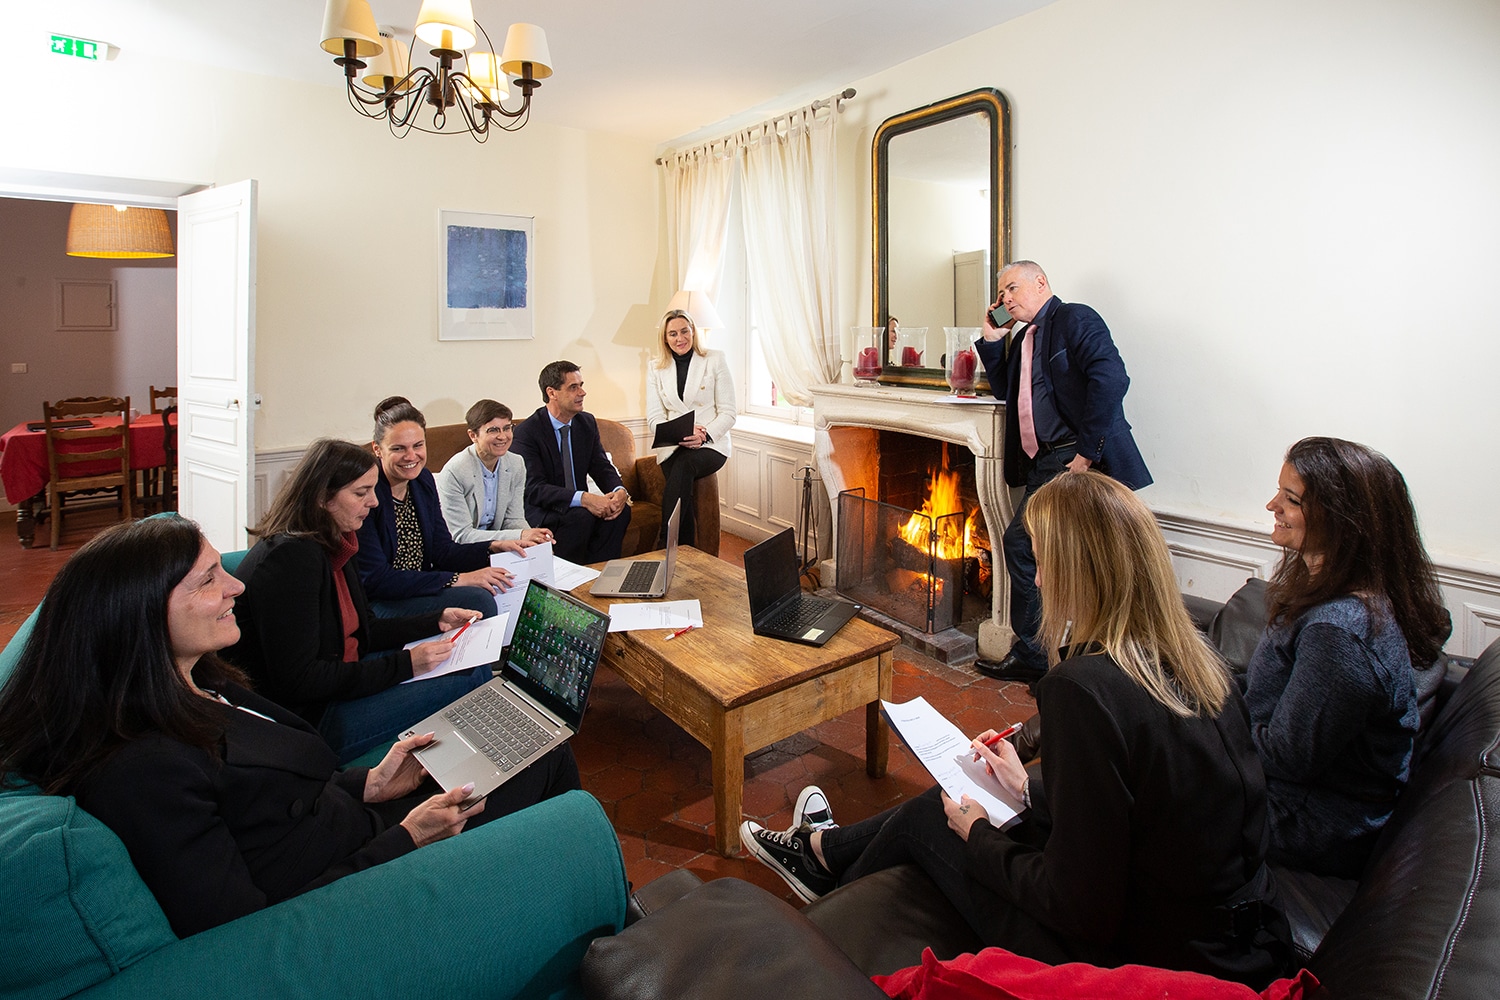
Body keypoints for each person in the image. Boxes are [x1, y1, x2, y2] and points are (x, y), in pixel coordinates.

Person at [741, 472, 1289, 988]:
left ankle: (814, 940)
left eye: (1045, 562)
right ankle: (819, 854)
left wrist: (978, 835)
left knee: (938, 817)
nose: (1041, 578)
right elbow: (1147, 808)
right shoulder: (1200, 664)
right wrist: (1026, 788)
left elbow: (1078, 910)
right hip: (1233, 939)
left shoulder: (1084, 689)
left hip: (1140, 955)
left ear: (1082, 572)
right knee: (965, 797)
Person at [0, 516, 580, 938]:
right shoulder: (141, 770)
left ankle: (565, 909)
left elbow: (282, 793)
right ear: (141, 613)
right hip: (365, 881)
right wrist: (409, 837)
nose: (236, 585)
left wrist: (371, 782)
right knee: (557, 785)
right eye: (208, 580)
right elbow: (248, 927)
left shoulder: (202, 680)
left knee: (540, 746)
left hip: (361, 818)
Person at [1244, 437, 1450, 879]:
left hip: (1304, 820)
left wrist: (1206, 735)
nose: (1271, 505)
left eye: (1291, 499)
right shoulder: (1325, 591)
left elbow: (1287, 757)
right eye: (1279, 491)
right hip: (1278, 790)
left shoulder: (1339, 631)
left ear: (1340, 521)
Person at [224, 439, 495, 763]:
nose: (374, 502)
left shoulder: (337, 539)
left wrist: (435, 619)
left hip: (339, 677)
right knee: (474, 674)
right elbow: (301, 682)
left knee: (463, 658)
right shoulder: (291, 560)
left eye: (372, 489)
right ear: (323, 497)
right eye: (360, 492)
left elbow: (364, 627)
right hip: (310, 717)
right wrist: (407, 664)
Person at [973, 261, 1151, 683]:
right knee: (1045, 550)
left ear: (1041, 283)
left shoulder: (1074, 317)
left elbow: (1111, 378)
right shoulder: (1022, 338)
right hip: (1043, 461)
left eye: (1012, 289)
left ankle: (1036, 655)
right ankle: (1055, 654)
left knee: (1020, 543)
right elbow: (1005, 391)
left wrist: (1086, 456)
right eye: (1001, 296)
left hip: (1074, 458)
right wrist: (992, 339)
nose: (1006, 300)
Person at [357, 396, 520, 619]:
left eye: (418, 445)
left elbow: (443, 551)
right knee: (480, 599)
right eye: (398, 448)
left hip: (421, 586)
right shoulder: (366, 493)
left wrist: (493, 546)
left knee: (501, 584)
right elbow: (376, 579)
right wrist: (457, 579)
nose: (411, 456)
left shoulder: (422, 481)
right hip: (381, 601)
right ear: (377, 449)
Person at [511, 361, 632, 564]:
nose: (582, 392)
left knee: (620, 512)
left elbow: (601, 466)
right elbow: (534, 488)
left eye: (581, 385)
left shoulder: (586, 423)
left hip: (579, 508)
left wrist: (619, 490)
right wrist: (584, 499)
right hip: (544, 510)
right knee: (580, 517)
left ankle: (601, 575)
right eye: (573, 387)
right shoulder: (527, 432)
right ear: (552, 393)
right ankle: (569, 583)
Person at [646, 309, 735, 549]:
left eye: (684, 331)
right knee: (680, 472)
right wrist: (675, 433)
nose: (679, 338)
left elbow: (729, 412)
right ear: (665, 338)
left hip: (711, 444)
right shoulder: (656, 367)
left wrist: (704, 434)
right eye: (672, 333)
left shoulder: (715, 359)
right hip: (672, 446)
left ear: (693, 331)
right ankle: (684, 555)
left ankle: (667, 542)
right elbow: (654, 417)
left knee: (684, 466)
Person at [434, 399, 555, 547]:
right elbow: (462, 535)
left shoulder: (516, 464)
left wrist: (534, 541)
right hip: (464, 550)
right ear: (473, 435)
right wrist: (520, 535)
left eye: (507, 428)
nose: (503, 436)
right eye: (493, 430)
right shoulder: (455, 471)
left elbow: (514, 520)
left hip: (502, 546)